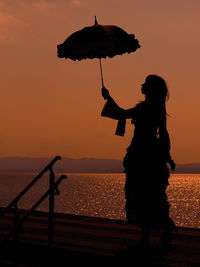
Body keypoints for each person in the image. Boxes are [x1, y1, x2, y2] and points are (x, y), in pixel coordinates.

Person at [101, 74, 176, 248]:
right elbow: (122, 113)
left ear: (151, 89)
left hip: (146, 157)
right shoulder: (143, 108)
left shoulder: (152, 109)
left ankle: (153, 232)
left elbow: (163, 133)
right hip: (139, 156)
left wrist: (168, 156)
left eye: (145, 84)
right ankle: (157, 230)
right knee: (142, 195)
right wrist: (109, 97)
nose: (142, 85)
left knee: (150, 196)